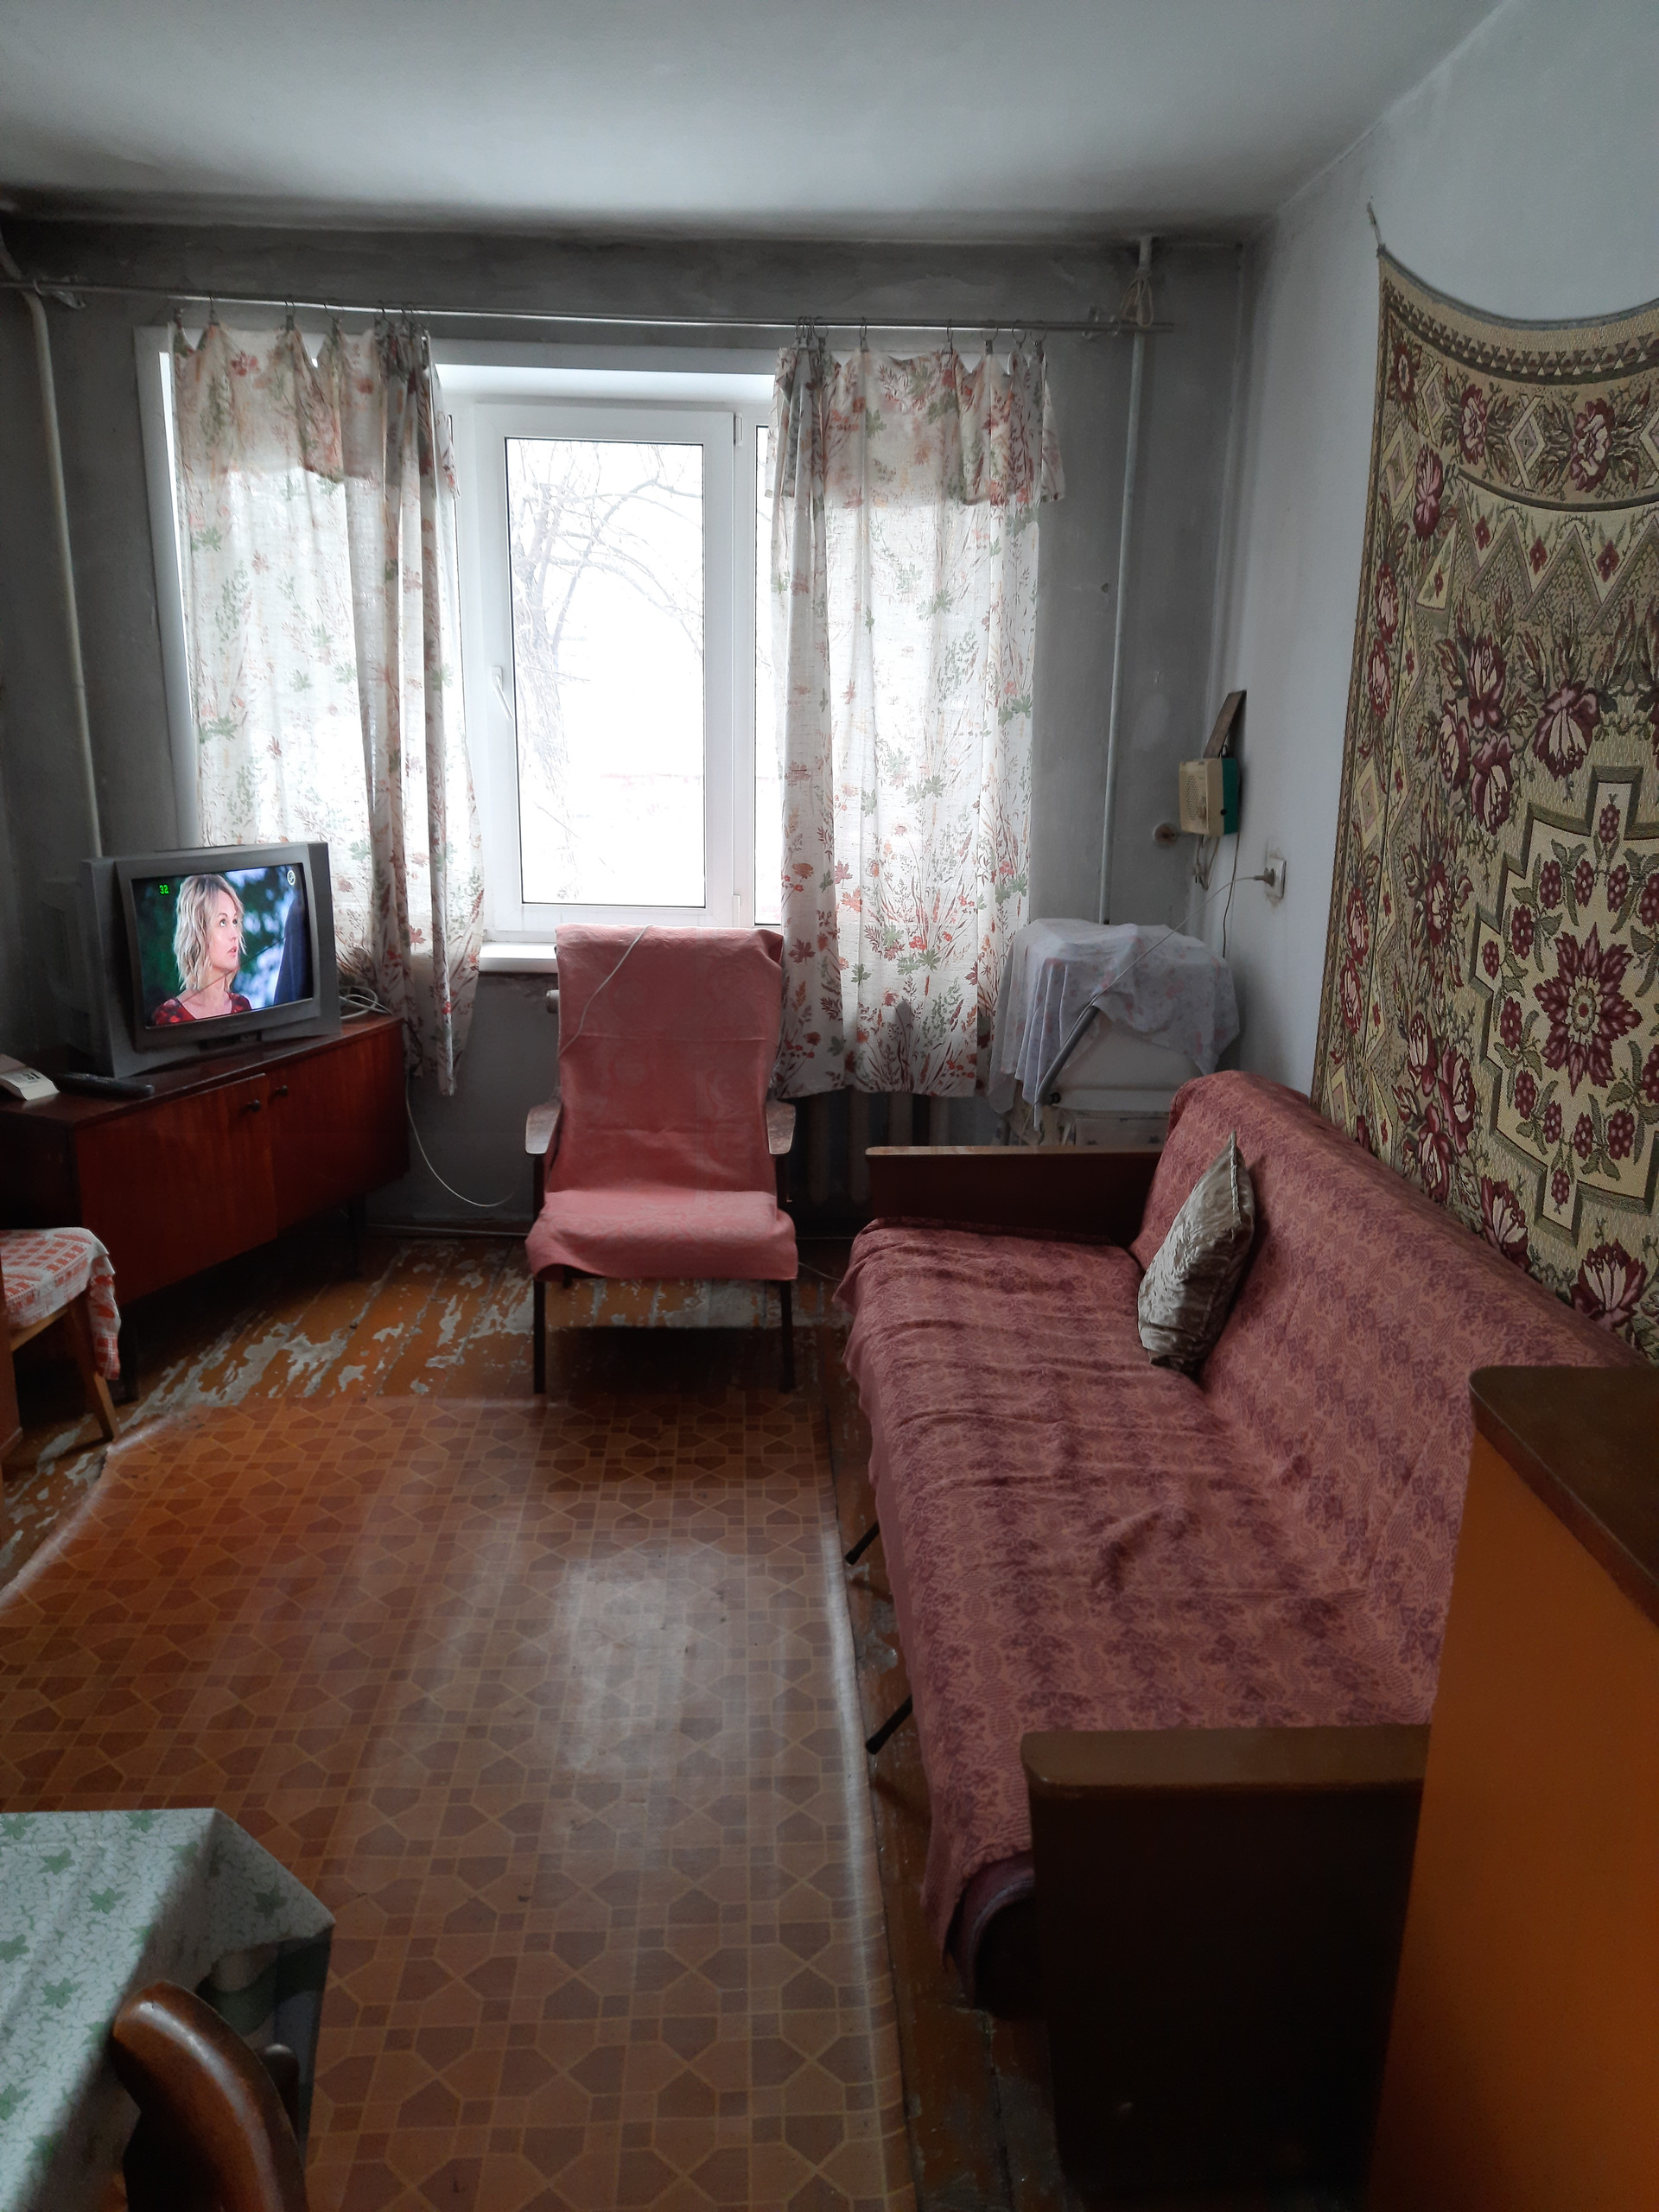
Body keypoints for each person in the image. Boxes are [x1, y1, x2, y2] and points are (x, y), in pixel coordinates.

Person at [151, 874, 253, 1025]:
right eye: (223, 922)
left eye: (234, 921)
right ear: (198, 932)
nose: (235, 934)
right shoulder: (168, 1016)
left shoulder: (242, 1006)